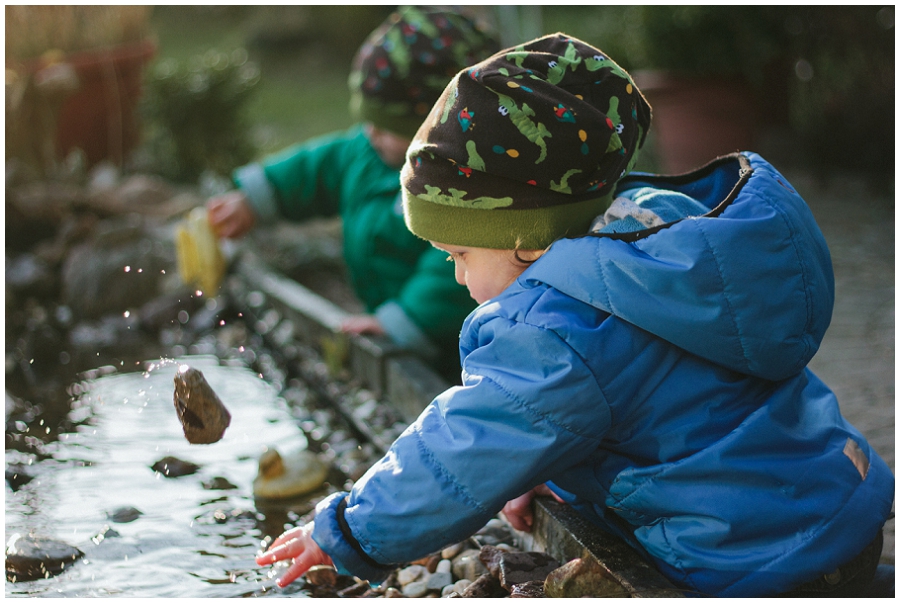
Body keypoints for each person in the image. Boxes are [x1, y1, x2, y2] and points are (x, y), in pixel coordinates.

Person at [255, 34, 895, 597]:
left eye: (457, 252)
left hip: (745, 567)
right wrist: (552, 465)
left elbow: (460, 450)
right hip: (837, 515)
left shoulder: (554, 328)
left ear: (526, 239)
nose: (455, 274)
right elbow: (651, 403)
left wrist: (345, 528)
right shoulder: (659, 242)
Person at [207, 6, 499, 373]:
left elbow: (452, 276)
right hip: (395, 323)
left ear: (439, 128)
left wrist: (403, 323)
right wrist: (255, 199)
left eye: (387, 124)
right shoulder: (368, 153)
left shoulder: (466, 188)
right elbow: (317, 170)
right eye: (368, 120)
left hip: (460, 348)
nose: (370, 133)